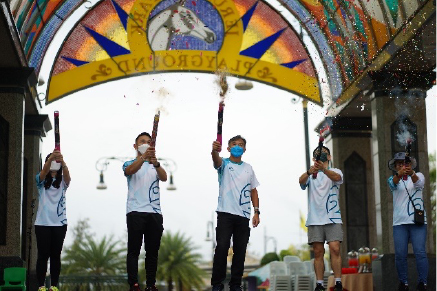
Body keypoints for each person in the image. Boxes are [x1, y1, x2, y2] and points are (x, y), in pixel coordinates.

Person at [210, 135, 260, 291]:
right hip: (225, 213)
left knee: (240, 250)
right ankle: (217, 283)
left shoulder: (248, 168)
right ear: (228, 148)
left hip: (243, 215)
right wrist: (214, 151)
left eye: (240, 145)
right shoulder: (224, 164)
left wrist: (256, 212)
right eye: (234, 144)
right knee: (222, 247)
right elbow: (216, 160)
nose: (237, 146)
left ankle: (235, 284)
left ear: (244, 149)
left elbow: (254, 191)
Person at [123, 132, 167, 291]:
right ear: (135, 146)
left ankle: (151, 284)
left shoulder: (155, 165)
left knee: (152, 251)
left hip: (154, 212)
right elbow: (129, 171)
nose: (146, 144)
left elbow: (164, 178)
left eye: (149, 142)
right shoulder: (129, 163)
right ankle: (134, 284)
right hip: (135, 211)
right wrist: (143, 158)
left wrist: (155, 163)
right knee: (134, 250)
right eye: (142, 142)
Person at [299, 146, 343, 291]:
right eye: (318, 154)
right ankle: (319, 284)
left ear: (329, 157)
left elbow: (337, 178)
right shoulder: (311, 175)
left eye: (324, 154)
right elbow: (300, 181)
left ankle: (337, 281)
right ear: (314, 159)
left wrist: (323, 169)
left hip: (333, 217)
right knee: (318, 252)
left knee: (335, 248)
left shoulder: (335, 171)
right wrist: (309, 171)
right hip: (315, 219)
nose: (322, 156)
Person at [387, 152, 428, 291]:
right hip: (399, 222)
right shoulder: (393, 179)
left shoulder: (419, 175)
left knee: (420, 252)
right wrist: (400, 174)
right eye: (399, 163)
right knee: (400, 254)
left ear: (410, 165)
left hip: (417, 222)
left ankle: (423, 282)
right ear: (395, 166)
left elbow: (419, 183)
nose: (402, 165)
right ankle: (403, 282)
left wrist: (411, 174)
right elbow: (393, 184)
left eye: (404, 163)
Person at [35, 150, 71, 291]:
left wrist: (63, 161)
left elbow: (68, 178)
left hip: (60, 224)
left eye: (56, 162)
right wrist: (51, 159)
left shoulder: (63, 182)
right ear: (47, 163)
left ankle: (54, 286)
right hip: (42, 223)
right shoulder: (41, 180)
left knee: (55, 256)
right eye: (50, 161)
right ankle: (41, 286)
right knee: (43, 255)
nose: (54, 164)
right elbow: (43, 173)